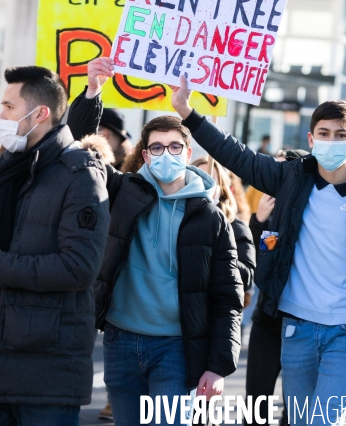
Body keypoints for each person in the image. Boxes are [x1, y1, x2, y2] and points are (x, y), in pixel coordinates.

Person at [171, 75, 346, 426]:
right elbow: (236, 155)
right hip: (296, 328)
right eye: (324, 134)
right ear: (311, 139)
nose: (331, 141)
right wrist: (187, 112)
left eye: (341, 135)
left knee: (321, 421)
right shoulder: (289, 177)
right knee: (299, 421)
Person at [67, 58, 243, 426]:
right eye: (157, 147)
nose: (166, 154)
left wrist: (218, 366)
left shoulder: (210, 218)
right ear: (145, 154)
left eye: (175, 147)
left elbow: (228, 297)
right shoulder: (122, 192)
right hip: (120, 342)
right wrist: (93, 91)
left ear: (187, 152)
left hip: (176, 348)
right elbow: (76, 151)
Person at [0, 66, 110, 426]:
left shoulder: (80, 175)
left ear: (39, 114)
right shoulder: (9, 167)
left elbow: (78, 267)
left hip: (46, 372)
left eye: (7, 106)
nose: (1, 115)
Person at [246, 149, 309, 426]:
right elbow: (262, 264)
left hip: (305, 325)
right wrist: (260, 222)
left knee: (296, 409)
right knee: (256, 403)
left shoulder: (313, 214)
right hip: (268, 321)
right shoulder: (267, 215)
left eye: (282, 173)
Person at [191, 157, 256, 292]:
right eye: (197, 180)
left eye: (211, 180)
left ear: (222, 189)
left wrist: (218, 251)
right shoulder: (178, 221)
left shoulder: (236, 227)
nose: (205, 186)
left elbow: (247, 277)